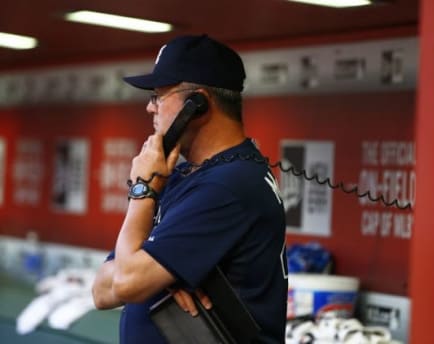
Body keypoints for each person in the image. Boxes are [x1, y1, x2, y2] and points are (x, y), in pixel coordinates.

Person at [92, 34, 288, 343]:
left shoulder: (229, 184)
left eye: (158, 95)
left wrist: (142, 189)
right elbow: (103, 290)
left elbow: (125, 283)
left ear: (197, 104)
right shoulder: (181, 175)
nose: (149, 107)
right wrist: (168, 277)